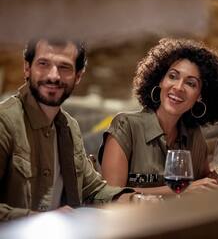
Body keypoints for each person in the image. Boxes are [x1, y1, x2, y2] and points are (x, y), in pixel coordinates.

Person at [0, 38, 133, 221]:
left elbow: (92, 189)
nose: (54, 76)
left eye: (64, 67)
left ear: (78, 76)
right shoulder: (4, 123)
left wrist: (135, 198)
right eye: (44, 64)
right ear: (27, 68)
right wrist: (42, 219)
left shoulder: (70, 127)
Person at [99, 38, 218, 194]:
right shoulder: (126, 126)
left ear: (200, 96)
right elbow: (111, 195)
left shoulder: (194, 136)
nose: (178, 87)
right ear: (160, 81)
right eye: (173, 76)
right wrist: (180, 191)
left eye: (190, 83)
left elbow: (204, 187)